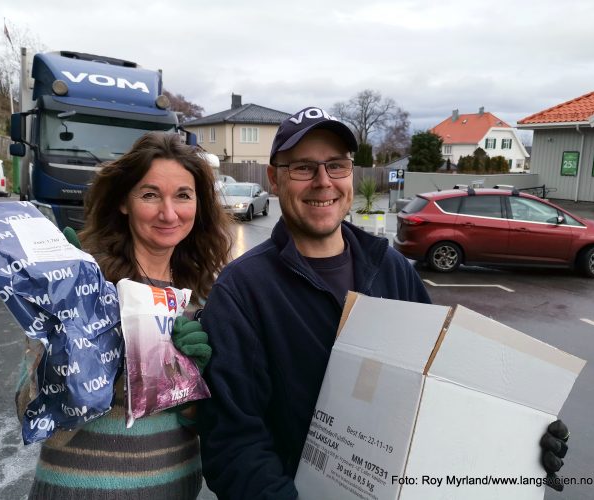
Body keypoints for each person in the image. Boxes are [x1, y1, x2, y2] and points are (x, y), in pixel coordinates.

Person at [197, 107, 570, 498]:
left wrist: (518, 439)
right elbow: (234, 445)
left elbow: (443, 386)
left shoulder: (391, 268)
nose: (323, 182)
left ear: (351, 175)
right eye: (303, 168)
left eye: (336, 166)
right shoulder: (241, 291)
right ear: (274, 179)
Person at [16, 132, 232, 499]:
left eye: (183, 195)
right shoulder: (85, 283)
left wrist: (188, 380)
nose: (169, 212)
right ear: (123, 202)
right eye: (150, 195)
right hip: (79, 490)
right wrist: (66, 334)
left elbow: (199, 424)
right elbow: (29, 411)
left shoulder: (203, 298)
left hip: (173, 488)